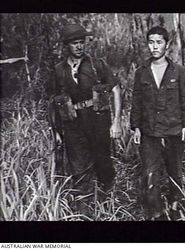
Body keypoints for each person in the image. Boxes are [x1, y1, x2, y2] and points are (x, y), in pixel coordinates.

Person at [47, 24, 122, 214]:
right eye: (75, 43)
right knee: (79, 169)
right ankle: (85, 213)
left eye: (82, 42)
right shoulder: (58, 70)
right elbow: (52, 101)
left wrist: (117, 121)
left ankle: (108, 204)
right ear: (67, 46)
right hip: (72, 124)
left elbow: (115, 89)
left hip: (97, 121)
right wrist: (56, 131)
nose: (79, 46)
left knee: (103, 163)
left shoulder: (98, 65)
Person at [130, 26, 185, 220]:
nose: (154, 47)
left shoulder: (179, 71)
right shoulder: (142, 72)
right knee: (150, 173)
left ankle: (175, 207)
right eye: (151, 42)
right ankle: (157, 213)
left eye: (159, 42)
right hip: (150, 132)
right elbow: (137, 101)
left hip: (174, 130)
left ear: (167, 44)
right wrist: (136, 128)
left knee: (175, 170)